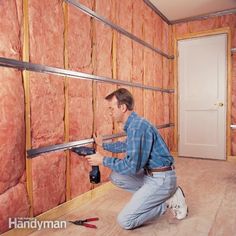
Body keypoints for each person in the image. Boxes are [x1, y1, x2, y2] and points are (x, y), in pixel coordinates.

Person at [85, 88, 188, 230]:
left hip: (161, 178)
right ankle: (158, 196)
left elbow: (131, 167)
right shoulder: (135, 124)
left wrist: (102, 160)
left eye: (111, 108)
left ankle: (165, 203)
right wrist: (104, 145)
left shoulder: (138, 127)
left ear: (122, 107)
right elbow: (126, 145)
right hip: (151, 175)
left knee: (125, 221)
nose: (109, 112)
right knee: (116, 176)